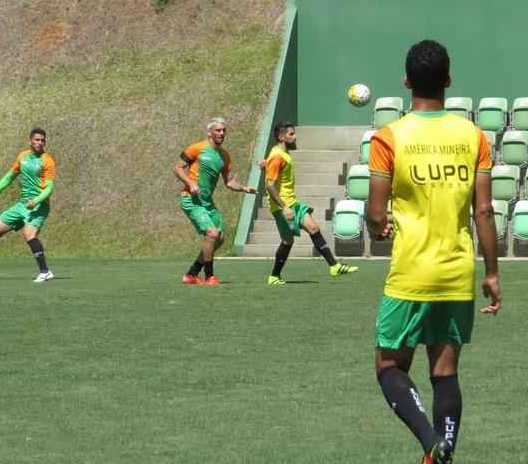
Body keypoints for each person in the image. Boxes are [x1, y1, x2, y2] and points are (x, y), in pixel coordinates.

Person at [365, 40, 500, 464]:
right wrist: (492, 274)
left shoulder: (389, 137)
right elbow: (483, 210)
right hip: (457, 273)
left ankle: (430, 442)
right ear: (448, 81)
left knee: (389, 366)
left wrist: (379, 225)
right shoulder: (473, 136)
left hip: (410, 273)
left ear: (406, 81)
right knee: (445, 372)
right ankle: (443, 454)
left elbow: (373, 212)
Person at [263, 120, 357, 285]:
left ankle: (334, 266)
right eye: (291, 134)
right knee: (287, 241)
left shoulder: (281, 154)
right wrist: (284, 207)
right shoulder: (277, 155)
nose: (295, 137)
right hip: (283, 207)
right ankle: (274, 276)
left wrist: (265, 164)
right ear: (281, 136)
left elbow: (272, 167)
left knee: (314, 228)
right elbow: (269, 185)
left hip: (294, 203)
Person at [0, 128, 57, 284]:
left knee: (29, 234)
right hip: (22, 204)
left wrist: (36, 201)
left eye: (43, 140)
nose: (40, 142)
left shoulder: (47, 160)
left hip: (39, 205)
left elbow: (49, 188)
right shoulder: (22, 156)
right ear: (30, 140)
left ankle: (45, 272)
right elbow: (9, 177)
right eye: (37, 139)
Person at [175, 117, 256, 286]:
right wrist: (190, 183)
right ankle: (209, 276)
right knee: (212, 233)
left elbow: (228, 182)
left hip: (207, 202)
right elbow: (177, 167)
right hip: (191, 200)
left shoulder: (224, 156)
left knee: (219, 238)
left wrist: (244, 188)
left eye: (224, 130)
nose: (222, 133)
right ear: (209, 132)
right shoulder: (197, 148)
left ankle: (191, 274)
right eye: (218, 130)